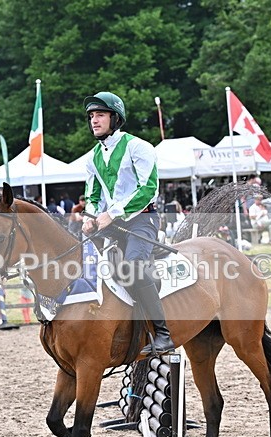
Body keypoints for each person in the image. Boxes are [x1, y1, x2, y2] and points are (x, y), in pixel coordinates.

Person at [81, 91, 173, 355]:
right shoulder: (92, 158)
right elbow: (93, 196)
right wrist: (90, 217)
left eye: (100, 115)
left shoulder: (139, 147)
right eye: (91, 116)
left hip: (142, 219)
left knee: (132, 267)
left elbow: (149, 190)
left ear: (115, 117)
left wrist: (114, 213)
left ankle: (163, 333)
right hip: (110, 223)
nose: (94, 121)